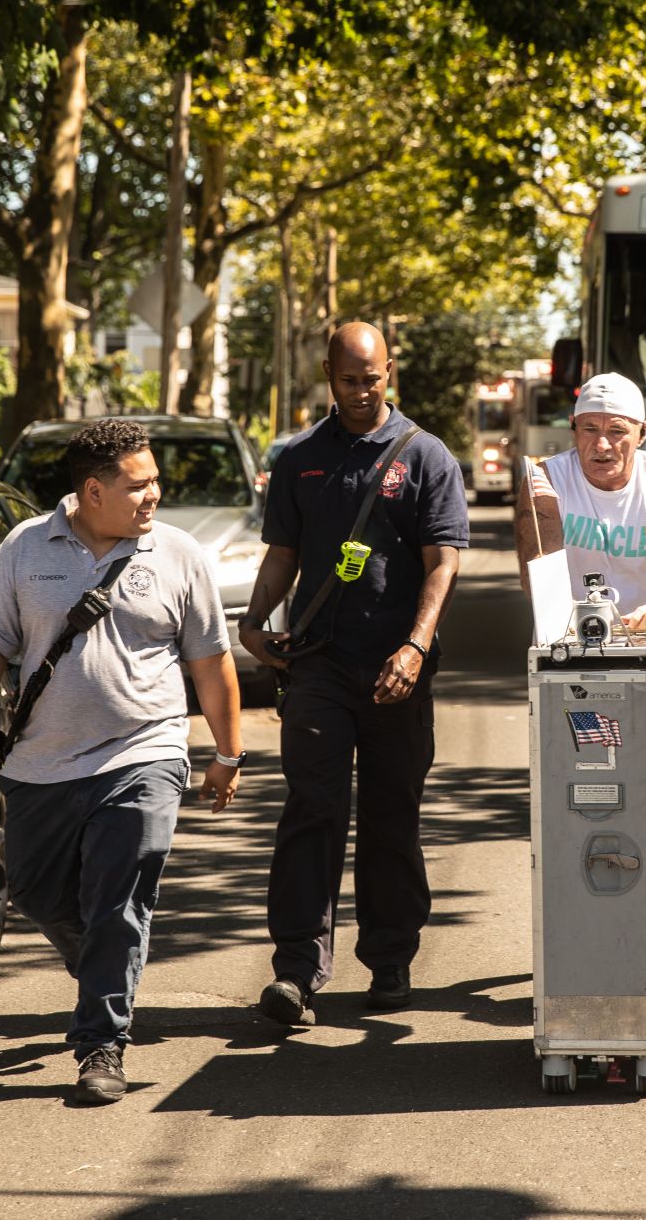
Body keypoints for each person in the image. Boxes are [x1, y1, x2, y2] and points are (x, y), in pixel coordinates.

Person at [0, 418, 244, 1105]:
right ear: (92, 489)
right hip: (43, 761)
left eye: (156, 482)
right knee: (34, 890)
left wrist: (227, 752)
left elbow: (210, 659)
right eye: (138, 485)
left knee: (119, 895)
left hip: (146, 748)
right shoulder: (25, 548)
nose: (154, 496)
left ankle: (101, 1041)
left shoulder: (178, 554)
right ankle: (105, 966)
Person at [239, 322, 470, 1027]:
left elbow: (443, 563)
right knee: (312, 808)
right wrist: (254, 618)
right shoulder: (302, 458)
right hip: (320, 664)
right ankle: (297, 970)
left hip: (397, 668)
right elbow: (283, 551)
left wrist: (415, 647)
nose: (363, 391)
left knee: (390, 812)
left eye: (373, 379)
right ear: (328, 377)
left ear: (389, 372)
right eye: (349, 380)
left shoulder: (427, 457)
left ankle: (390, 956)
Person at [512, 371, 646, 632]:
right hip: (571, 633)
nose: (601, 444)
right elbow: (541, 563)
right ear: (573, 425)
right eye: (589, 429)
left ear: (643, 432)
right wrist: (569, 621)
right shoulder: (548, 480)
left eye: (617, 431)